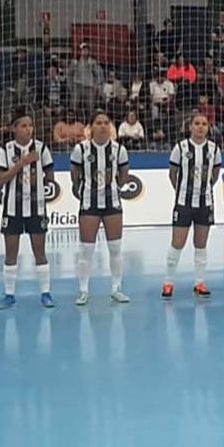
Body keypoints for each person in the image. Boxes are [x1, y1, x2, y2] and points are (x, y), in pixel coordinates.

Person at [70, 111, 132, 305]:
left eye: (106, 122)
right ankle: (83, 291)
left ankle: (116, 289)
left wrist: (114, 187)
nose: (103, 126)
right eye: (99, 123)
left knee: (115, 248)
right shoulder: (81, 149)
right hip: (89, 202)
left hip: (112, 202)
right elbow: (75, 175)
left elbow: (123, 175)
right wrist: (85, 189)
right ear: (91, 127)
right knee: (86, 249)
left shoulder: (119, 149)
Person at [0, 110, 55, 309]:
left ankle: (45, 293)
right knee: (11, 254)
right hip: (12, 209)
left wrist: (42, 183)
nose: (28, 129)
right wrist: (21, 164)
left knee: (40, 252)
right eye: (24, 126)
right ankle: (9, 294)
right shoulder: (6, 149)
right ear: (14, 128)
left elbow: (50, 177)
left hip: (36, 208)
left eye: (30, 125)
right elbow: (2, 180)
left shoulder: (41, 148)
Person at [163, 112, 222, 298]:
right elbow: (173, 174)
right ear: (190, 127)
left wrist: (204, 189)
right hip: (184, 203)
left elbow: (215, 173)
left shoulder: (214, 149)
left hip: (205, 203)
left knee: (201, 244)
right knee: (177, 243)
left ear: (208, 127)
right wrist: (181, 191)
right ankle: (168, 282)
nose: (200, 127)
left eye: (204, 123)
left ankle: (199, 282)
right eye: (197, 123)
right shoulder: (180, 148)